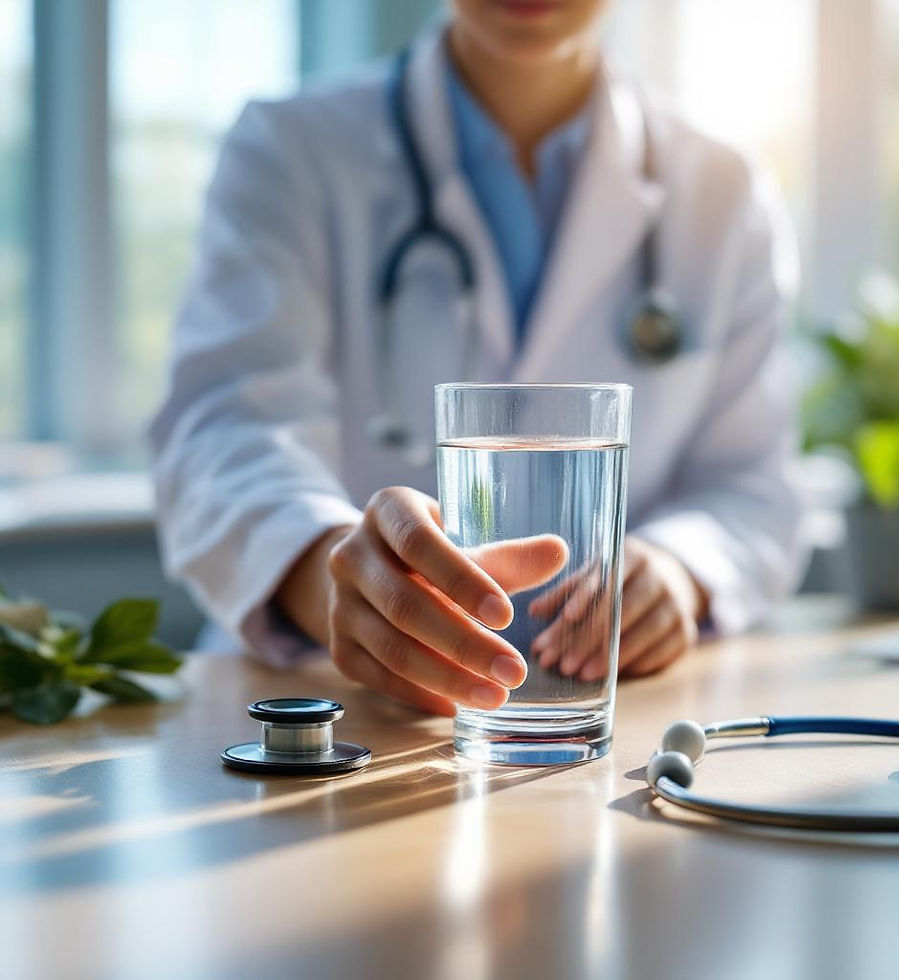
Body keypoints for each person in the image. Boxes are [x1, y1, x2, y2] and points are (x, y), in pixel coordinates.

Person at [151, 0, 806, 717]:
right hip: (322, 710)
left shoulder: (723, 187)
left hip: (594, 711)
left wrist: (682, 569)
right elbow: (222, 431)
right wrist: (330, 576)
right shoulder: (291, 147)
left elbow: (755, 485)